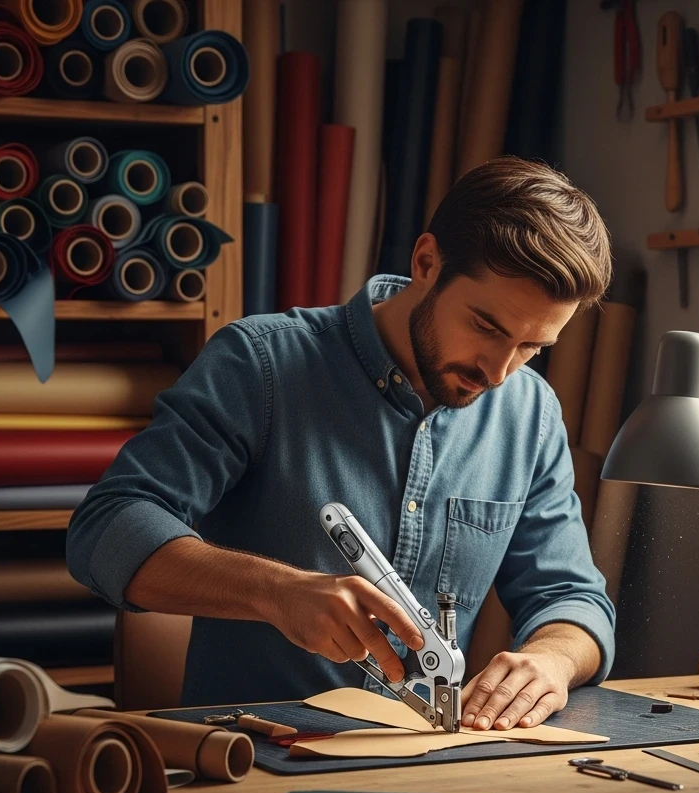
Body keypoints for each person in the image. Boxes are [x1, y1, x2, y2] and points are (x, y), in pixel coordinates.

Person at [66, 156, 616, 731]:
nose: (500, 373)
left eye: (532, 346)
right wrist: (278, 592)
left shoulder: (530, 414)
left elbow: (572, 598)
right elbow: (105, 528)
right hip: (252, 761)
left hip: (431, 770)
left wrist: (552, 659)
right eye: (487, 327)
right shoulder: (262, 365)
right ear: (426, 262)